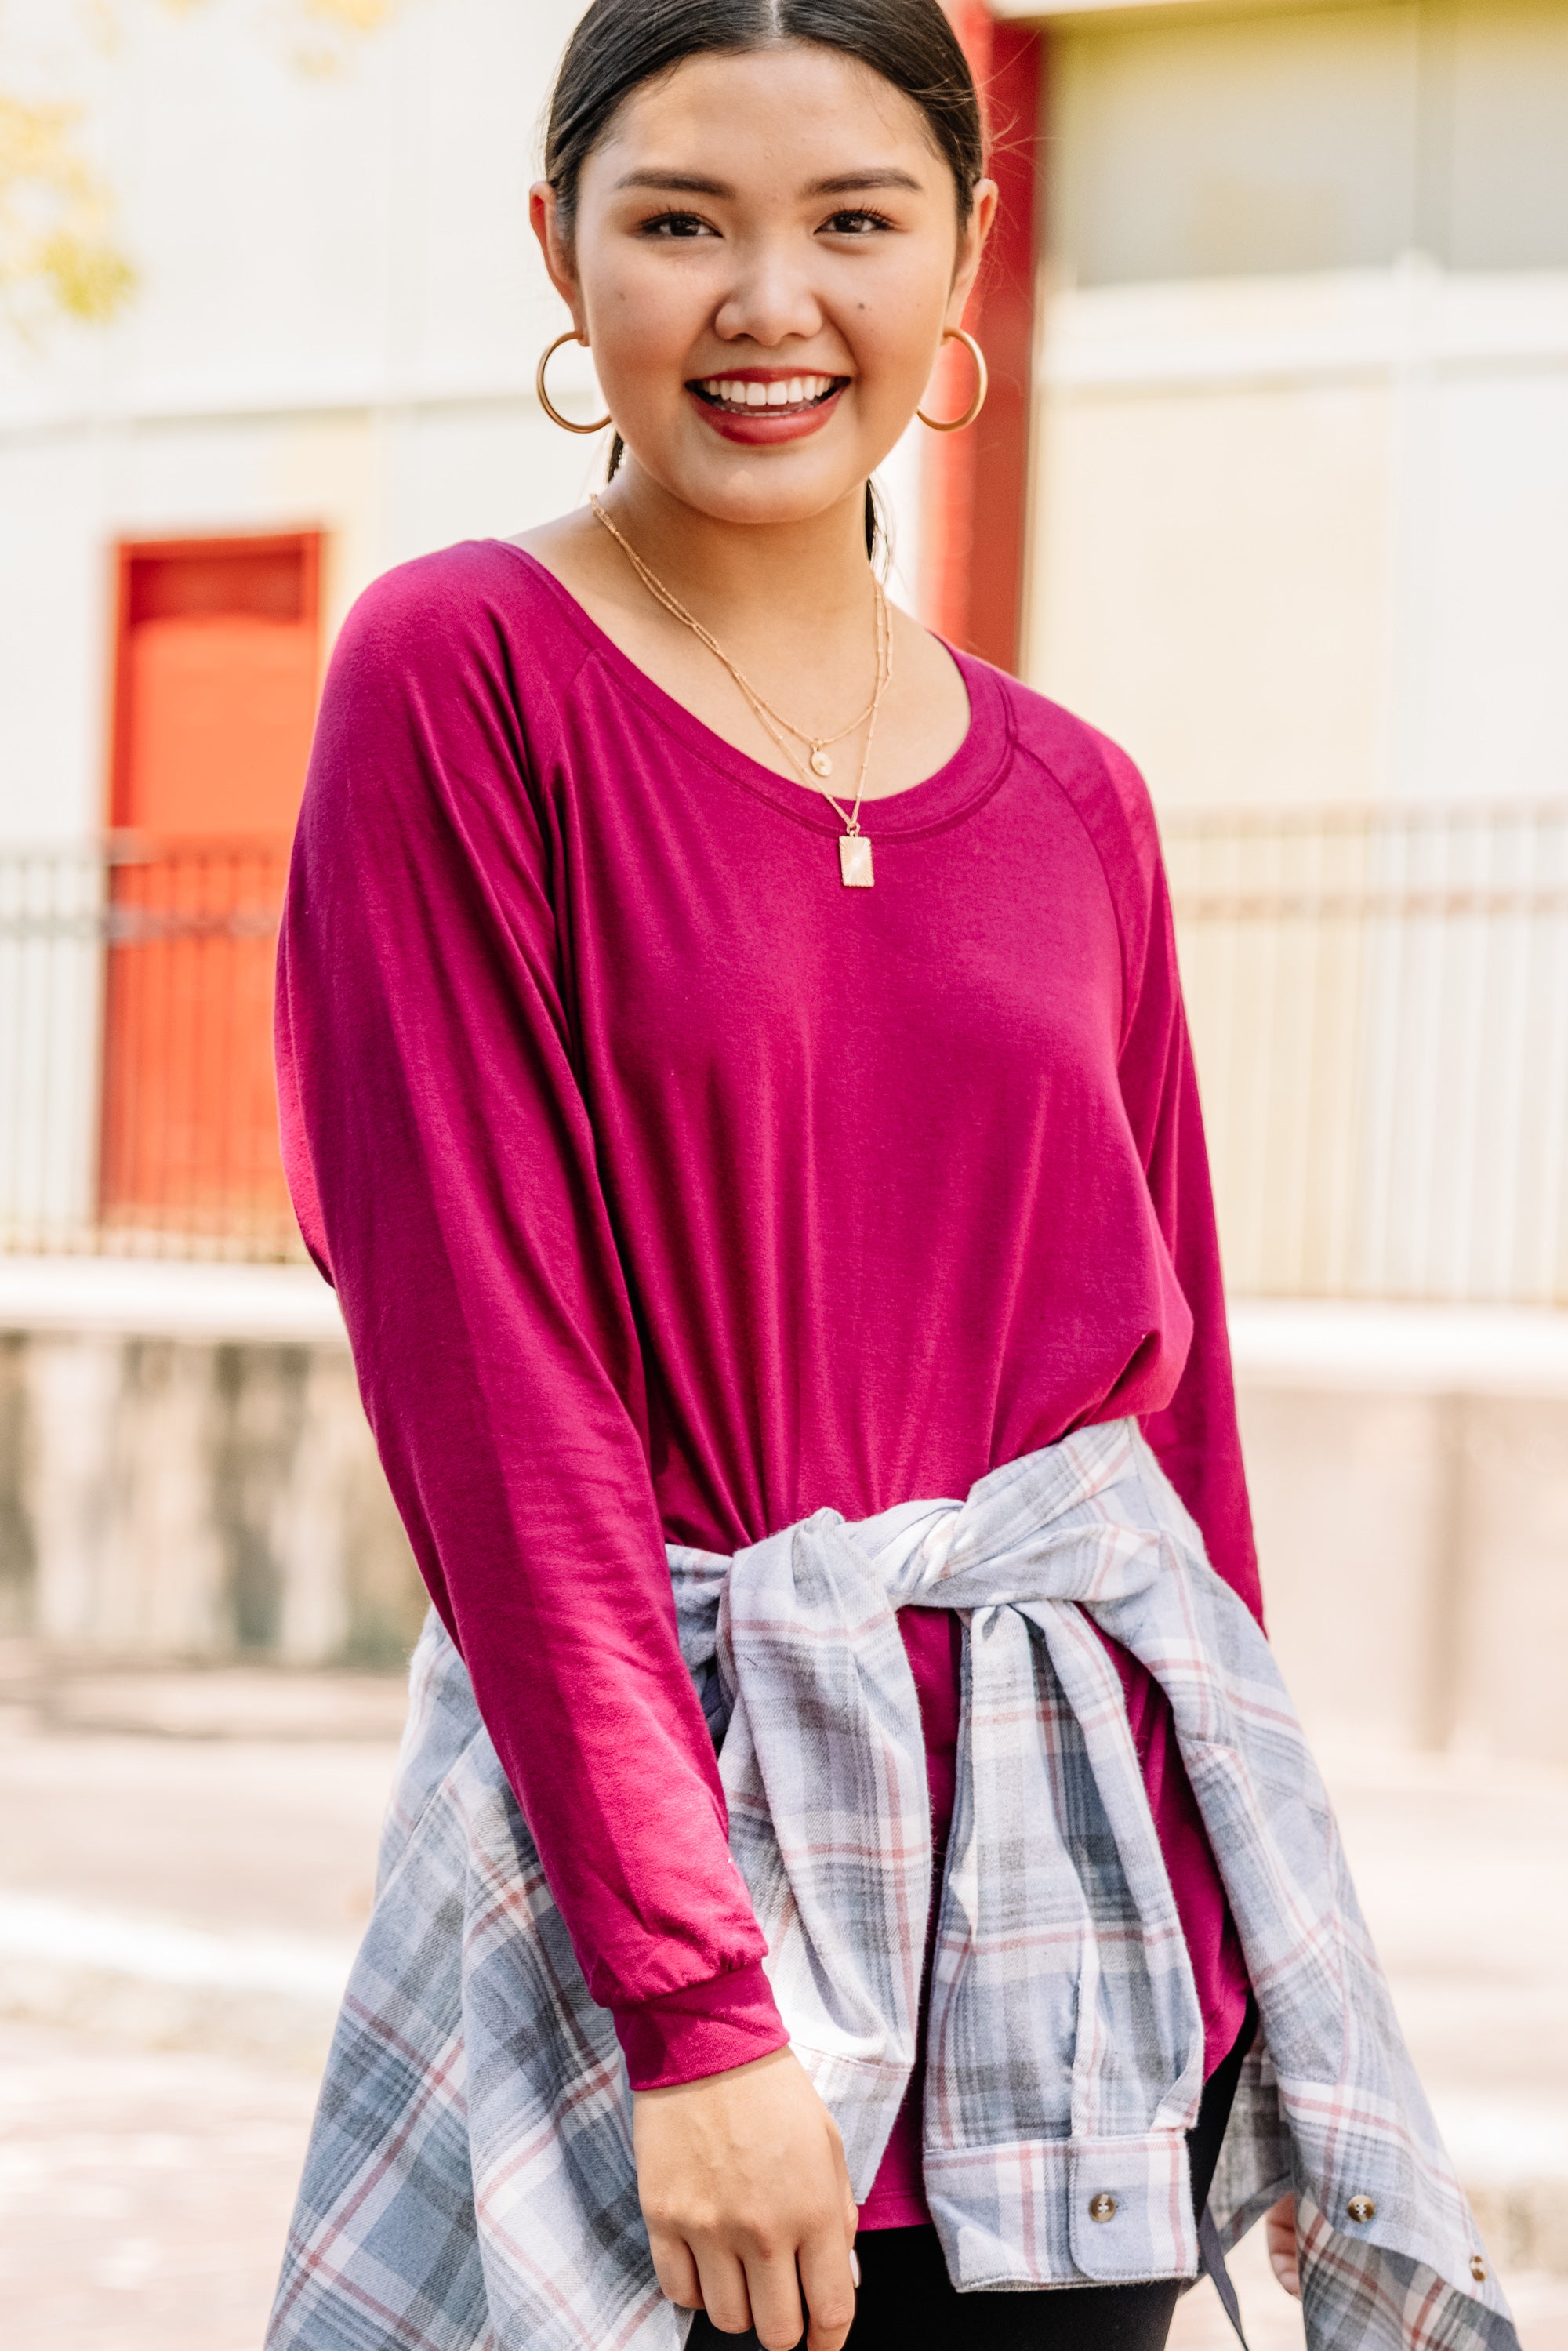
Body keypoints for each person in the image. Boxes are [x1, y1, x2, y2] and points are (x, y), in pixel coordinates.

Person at [265, 8, 1513, 2351]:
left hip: (1080, 1914)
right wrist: (693, 2006)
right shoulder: (464, 672)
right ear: (558, 252)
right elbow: (489, 1387)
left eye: (854, 221)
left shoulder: (1079, 797)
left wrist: (1240, 1940)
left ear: (965, 252)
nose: (769, 304)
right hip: (673, 1873)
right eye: (678, 224)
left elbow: (1179, 1429)